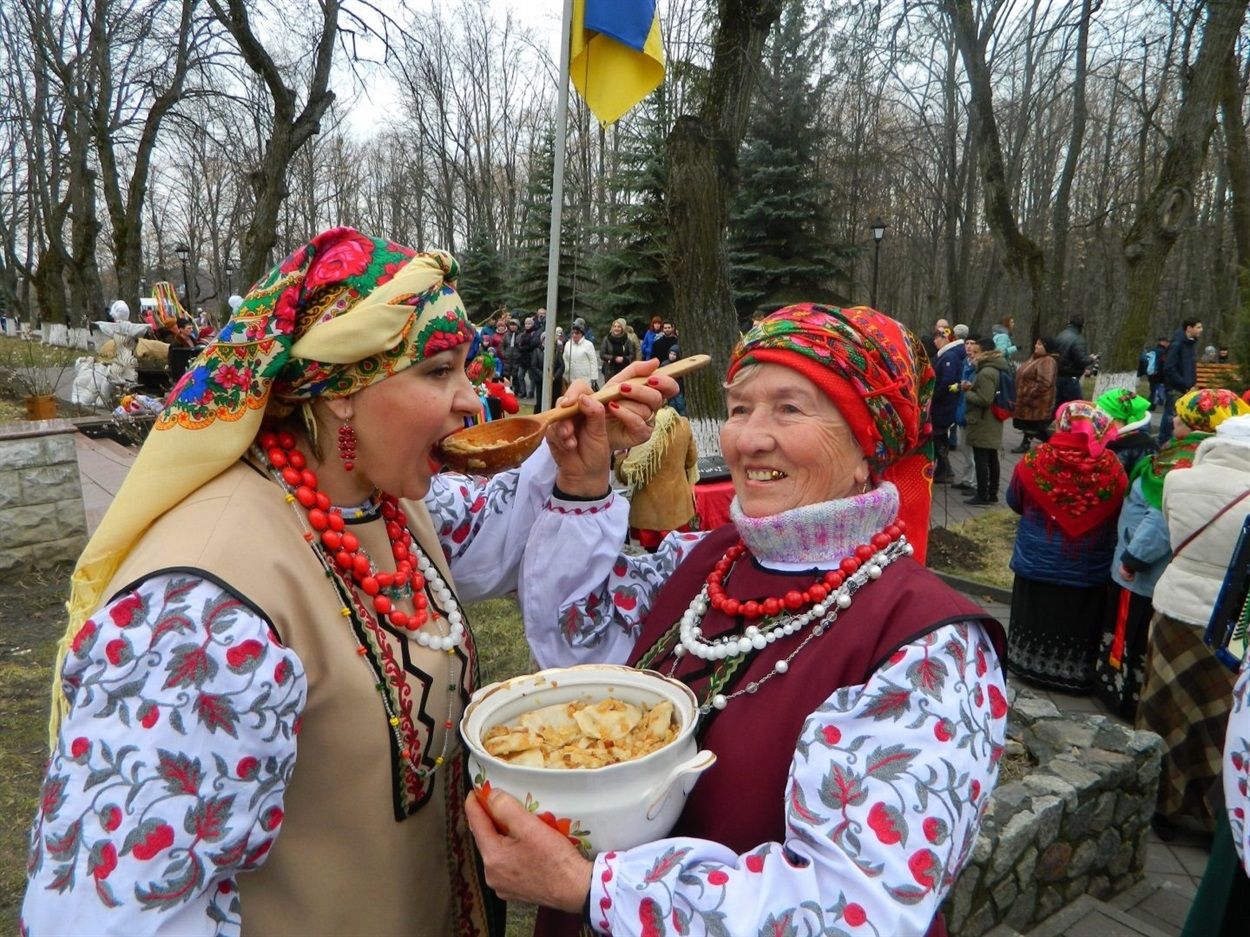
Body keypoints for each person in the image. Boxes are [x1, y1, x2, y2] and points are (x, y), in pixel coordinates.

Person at [19, 226, 676, 936]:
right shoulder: (196, 614)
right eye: (437, 371)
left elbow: (502, 534)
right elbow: (102, 914)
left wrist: (577, 465)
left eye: (466, 368)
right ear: (340, 390)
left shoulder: (385, 503)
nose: (471, 401)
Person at [466, 304, 1009, 937]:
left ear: (868, 445)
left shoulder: (930, 644)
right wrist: (586, 479)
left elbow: (857, 911)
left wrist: (595, 890)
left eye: (789, 408)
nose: (748, 438)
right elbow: (581, 638)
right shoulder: (707, 559)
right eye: (739, 407)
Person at [1137, 389, 1250, 841]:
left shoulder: (1180, 480)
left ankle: (1160, 800)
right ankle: (1211, 809)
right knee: (1221, 717)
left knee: (1166, 706)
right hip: (1233, 624)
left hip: (1174, 608)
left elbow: (1169, 530)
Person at [1091, 390, 1216, 722]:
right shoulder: (1194, 455)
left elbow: (1159, 518)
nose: (1172, 419)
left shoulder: (1176, 462)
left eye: (1181, 416)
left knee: (1128, 632)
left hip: (1143, 568)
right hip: (1161, 567)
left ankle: (1123, 695)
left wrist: (1133, 558)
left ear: (1196, 424)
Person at [1005, 401, 1127, 691]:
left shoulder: (1036, 460)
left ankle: (1027, 665)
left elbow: (1013, 500)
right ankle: (1075, 672)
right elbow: (1119, 508)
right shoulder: (1111, 467)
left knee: (1037, 612)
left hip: (1038, 558)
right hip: (1088, 562)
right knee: (1078, 616)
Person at [614, 405, 699, 551]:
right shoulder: (683, 423)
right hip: (680, 509)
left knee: (655, 558)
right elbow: (691, 460)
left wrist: (620, 456)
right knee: (679, 554)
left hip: (652, 514)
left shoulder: (646, 431)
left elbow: (629, 473)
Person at [961, 334, 1010, 505]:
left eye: (975, 352)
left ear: (984, 353)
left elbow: (984, 399)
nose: (972, 355)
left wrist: (968, 392)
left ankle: (983, 494)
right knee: (991, 457)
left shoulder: (986, 372)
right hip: (990, 420)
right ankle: (991, 493)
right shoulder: (995, 369)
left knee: (982, 458)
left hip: (983, 420)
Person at [1159, 318, 1203, 446]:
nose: (1201, 330)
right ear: (1189, 328)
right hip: (1175, 388)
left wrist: (1191, 383)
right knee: (1170, 417)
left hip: (1186, 388)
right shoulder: (1177, 344)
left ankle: (1176, 444)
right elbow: (1169, 367)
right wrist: (1183, 382)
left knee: (1180, 417)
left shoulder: (1190, 345)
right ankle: (1163, 444)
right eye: (1198, 327)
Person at [1011, 337, 1059, 453]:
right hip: (1028, 398)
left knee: (1036, 425)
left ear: (1047, 347)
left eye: (1040, 344)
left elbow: (1045, 382)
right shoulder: (1035, 358)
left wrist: (1030, 395)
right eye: (1036, 343)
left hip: (1038, 400)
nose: (1036, 346)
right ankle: (1027, 443)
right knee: (1031, 424)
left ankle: (1055, 445)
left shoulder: (1047, 360)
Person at [1096, 388, 1156, 477]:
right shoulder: (1118, 439)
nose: (1097, 420)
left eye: (1100, 416)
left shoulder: (1128, 447)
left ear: (1115, 419)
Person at [929, 326, 963, 482]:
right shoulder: (944, 356)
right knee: (938, 437)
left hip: (944, 405)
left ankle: (946, 470)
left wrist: (934, 396)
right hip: (942, 404)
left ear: (946, 338)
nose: (935, 341)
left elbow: (948, 381)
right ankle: (943, 469)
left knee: (939, 436)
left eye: (938, 337)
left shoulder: (949, 357)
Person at [1054, 313, 1096, 407]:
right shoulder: (1078, 340)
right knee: (1078, 407)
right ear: (1081, 326)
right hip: (1071, 378)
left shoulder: (1060, 335)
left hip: (1058, 376)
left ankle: (1054, 421)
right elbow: (1081, 360)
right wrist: (1091, 359)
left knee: (1059, 406)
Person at [562, 321, 600, 390]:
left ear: (581, 334)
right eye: (573, 333)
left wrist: (594, 378)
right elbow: (565, 358)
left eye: (577, 333)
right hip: (571, 377)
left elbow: (593, 361)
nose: (574, 335)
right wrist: (566, 372)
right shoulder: (568, 344)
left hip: (585, 378)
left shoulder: (588, 345)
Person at [1147, 336, 1169, 408]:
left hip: (1151, 372)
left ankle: (1154, 404)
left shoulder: (1152, 350)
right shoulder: (1163, 351)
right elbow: (1163, 363)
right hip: (1159, 373)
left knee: (1153, 389)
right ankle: (1152, 405)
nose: (1167, 344)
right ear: (1162, 342)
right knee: (1156, 389)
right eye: (1166, 342)